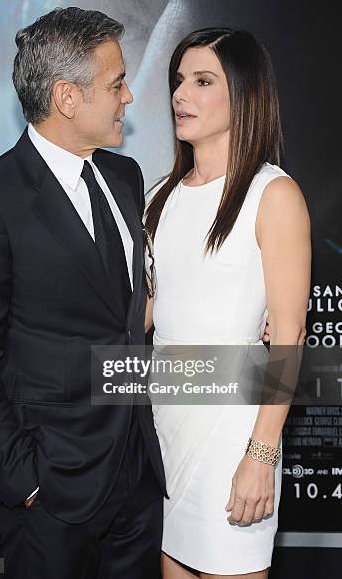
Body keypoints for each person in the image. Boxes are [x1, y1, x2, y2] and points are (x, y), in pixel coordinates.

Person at [0, 7, 167, 579]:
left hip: (137, 478)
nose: (129, 97)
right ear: (67, 97)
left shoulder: (125, 177)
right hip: (52, 492)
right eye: (115, 84)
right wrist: (25, 481)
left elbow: (125, 315)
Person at [144, 28, 311, 578]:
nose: (179, 95)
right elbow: (145, 314)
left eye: (202, 81)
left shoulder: (273, 195)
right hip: (164, 429)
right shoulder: (159, 196)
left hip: (233, 433)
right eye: (177, 81)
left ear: (244, 95)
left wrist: (261, 456)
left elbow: (287, 336)